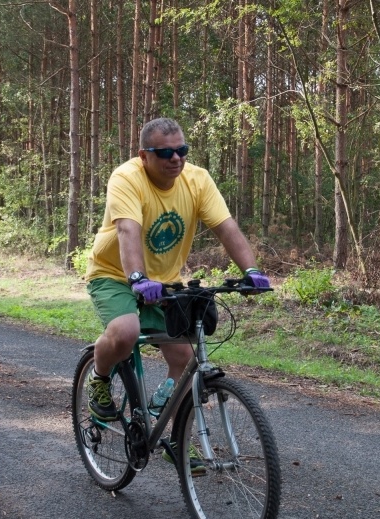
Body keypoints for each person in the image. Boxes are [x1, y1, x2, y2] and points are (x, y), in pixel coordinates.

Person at [84, 117, 269, 427]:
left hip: (164, 282)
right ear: (144, 156)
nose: (176, 159)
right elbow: (128, 231)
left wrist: (251, 270)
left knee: (184, 357)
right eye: (165, 153)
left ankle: (174, 435)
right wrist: (137, 279)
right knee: (127, 332)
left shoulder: (197, 180)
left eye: (182, 150)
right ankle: (99, 378)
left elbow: (226, 228)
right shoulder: (127, 177)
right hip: (114, 274)